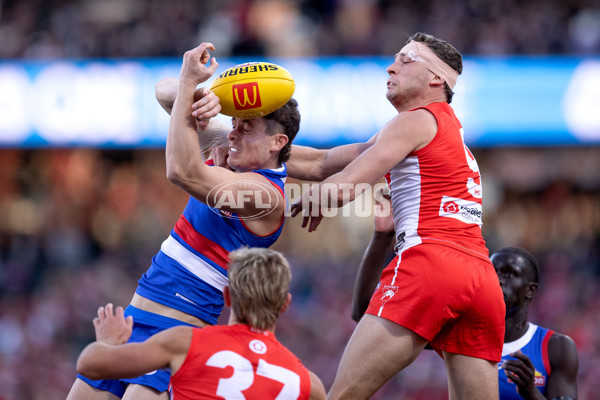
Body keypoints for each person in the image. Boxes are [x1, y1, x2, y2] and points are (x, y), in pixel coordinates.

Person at [67, 42, 301, 400]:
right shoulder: (232, 154)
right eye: (234, 123)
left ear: (277, 142)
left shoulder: (265, 193)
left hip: (178, 330)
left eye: (246, 127)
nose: (233, 133)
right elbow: (162, 92)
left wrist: (190, 83)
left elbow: (181, 171)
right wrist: (198, 94)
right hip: (135, 316)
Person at [287, 32, 506, 399]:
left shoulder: (414, 122)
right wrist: (258, 150)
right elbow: (322, 162)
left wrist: (287, 198)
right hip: (482, 280)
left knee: (341, 395)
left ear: (436, 79)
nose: (391, 66)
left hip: (431, 264)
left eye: (406, 60)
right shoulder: (442, 132)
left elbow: (344, 183)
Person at [76, 247, 327, 400]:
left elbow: (89, 364)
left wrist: (108, 342)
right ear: (286, 303)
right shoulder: (308, 384)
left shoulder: (186, 342)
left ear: (227, 296)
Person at [491, 247, 579, 400]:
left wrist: (531, 392)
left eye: (509, 273)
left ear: (530, 290)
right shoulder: (462, 338)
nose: (497, 279)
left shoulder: (556, 347)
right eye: (491, 272)